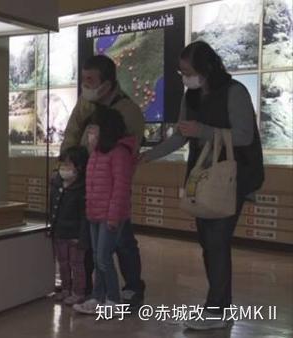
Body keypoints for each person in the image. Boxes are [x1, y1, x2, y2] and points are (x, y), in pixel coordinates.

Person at [140, 41, 264, 331]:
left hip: (231, 179)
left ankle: (217, 309)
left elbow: (245, 136)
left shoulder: (235, 92)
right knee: (208, 243)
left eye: (188, 71)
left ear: (206, 68)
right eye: (182, 72)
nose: (185, 77)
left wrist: (203, 131)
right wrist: (148, 155)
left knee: (218, 241)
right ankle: (218, 304)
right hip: (201, 180)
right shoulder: (191, 96)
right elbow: (180, 136)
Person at [60, 55, 146, 308]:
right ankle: (92, 290)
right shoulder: (87, 103)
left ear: (107, 83)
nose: (85, 85)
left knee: (121, 240)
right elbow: (72, 132)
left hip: (110, 191)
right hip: (86, 185)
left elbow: (124, 160)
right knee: (91, 244)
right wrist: (66, 162)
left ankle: (129, 289)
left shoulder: (127, 112)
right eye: (83, 79)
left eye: (90, 80)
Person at [73, 108, 138, 316]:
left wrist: (113, 216)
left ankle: (113, 300)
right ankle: (98, 298)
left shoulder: (119, 153)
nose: (90, 132)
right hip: (94, 214)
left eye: (94, 127)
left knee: (103, 258)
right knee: (98, 257)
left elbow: (120, 188)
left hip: (111, 216)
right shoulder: (96, 153)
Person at [49, 146, 90, 306]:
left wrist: (81, 237)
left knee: (77, 264)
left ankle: (78, 292)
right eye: (62, 164)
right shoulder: (57, 184)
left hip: (75, 235)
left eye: (68, 164)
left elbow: (84, 216)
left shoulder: (82, 188)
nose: (64, 168)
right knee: (63, 262)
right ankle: (65, 288)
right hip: (59, 232)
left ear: (79, 167)